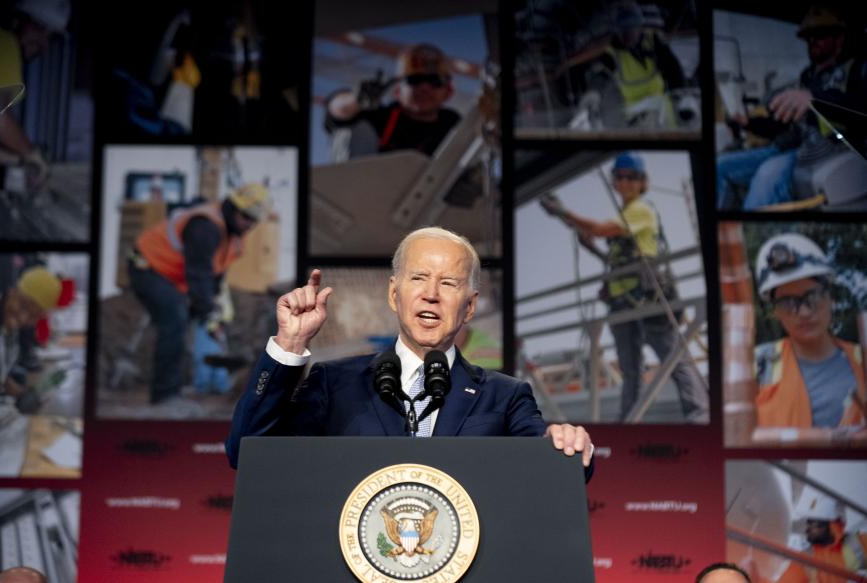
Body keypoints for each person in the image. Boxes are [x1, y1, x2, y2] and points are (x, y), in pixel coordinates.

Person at [226, 227, 594, 477]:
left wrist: (564, 447)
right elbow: (248, 453)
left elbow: (558, 471)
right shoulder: (334, 384)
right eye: (418, 278)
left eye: (448, 283)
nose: (431, 293)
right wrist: (289, 345)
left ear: (469, 307)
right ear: (393, 294)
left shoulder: (506, 397)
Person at [540, 152, 709, 423]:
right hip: (623, 301)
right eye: (620, 177)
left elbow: (599, 229)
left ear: (642, 183)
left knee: (672, 358)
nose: (626, 182)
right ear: (615, 182)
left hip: (647, 299)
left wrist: (564, 213)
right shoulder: (626, 214)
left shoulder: (641, 210)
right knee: (631, 367)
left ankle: (699, 414)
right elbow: (605, 245)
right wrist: (574, 225)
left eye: (632, 177)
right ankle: (629, 419)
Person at [129, 183, 268, 411]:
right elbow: (199, 274)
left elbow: (213, 278)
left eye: (254, 220)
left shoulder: (232, 236)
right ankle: (164, 396)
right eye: (246, 216)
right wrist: (207, 311)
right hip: (147, 266)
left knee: (185, 319)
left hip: (172, 276)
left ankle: (176, 386)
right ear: (233, 207)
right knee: (174, 321)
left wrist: (211, 312)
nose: (249, 224)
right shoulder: (205, 227)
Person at [716, 4, 867, 210]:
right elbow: (782, 124)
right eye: (809, 38)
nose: (813, 42)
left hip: (823, 155)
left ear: (839, 38)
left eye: (820, 35)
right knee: (720, 165)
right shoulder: (807, 76)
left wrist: (815, 100)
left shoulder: (858, 69)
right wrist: (748, 123)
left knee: (767, 176)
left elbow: (859, 109)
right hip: (786, 146)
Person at [753, 233, 866, 428]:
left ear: (830, 297)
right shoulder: (756, 365)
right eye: (788, 303)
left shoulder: (862, 359)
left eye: (812, 297)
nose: (804, 312)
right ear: (776, 311)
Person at [325, 43, 461, 159]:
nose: (425, 88)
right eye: (414, 79)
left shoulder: (453, 124)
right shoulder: (379, 118)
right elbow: (337, 111)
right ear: (397, 91)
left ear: (448, 91)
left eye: (435, 81)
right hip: (369, 185)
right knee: (353, 129)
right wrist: (357, 99)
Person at [0, 0, 71, 192]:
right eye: (40, 28)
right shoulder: (3, 44)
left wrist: (19, 160)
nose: (44, 43)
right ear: (19, 20)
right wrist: (31, 153)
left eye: (50, 36)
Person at [0, 265, 72, 414]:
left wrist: (21, 395)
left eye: (34, 316)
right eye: (23, 305)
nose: (23, 318)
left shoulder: (9, 328)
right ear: (12, 291)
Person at [594, 1, 686, 129]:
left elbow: (674, 70)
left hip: (662, 110)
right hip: (636, 117)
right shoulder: (611, 54)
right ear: (617, 32)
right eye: (623, 31)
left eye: (632, 29)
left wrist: (682, 100)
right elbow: (599, 79)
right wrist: (594, 96)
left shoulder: (653, 41)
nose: (628, 36)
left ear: (640, 27)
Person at [766, 493, 867, 583]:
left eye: (813, 524)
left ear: (833, 525)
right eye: (808, 524)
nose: (807, 529)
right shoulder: (805, 560)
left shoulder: (858, 544)